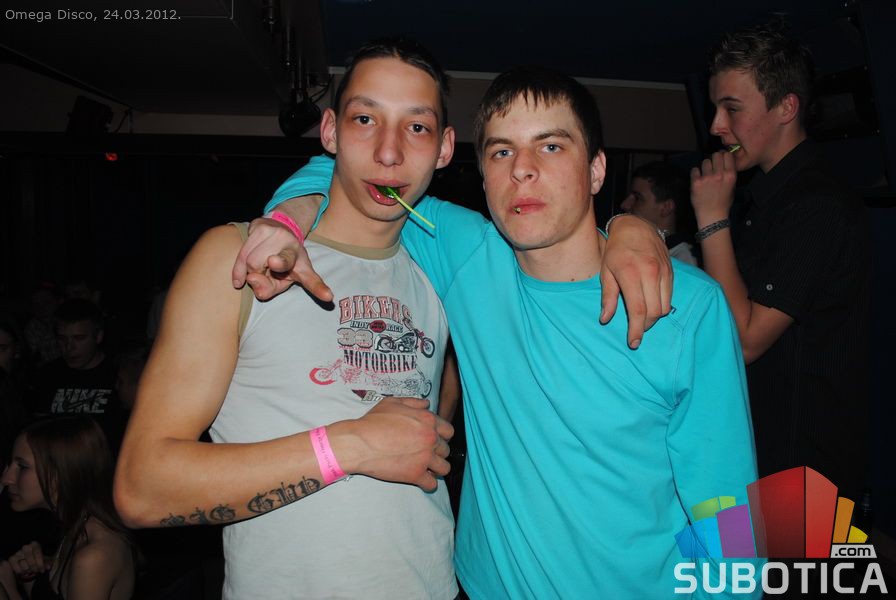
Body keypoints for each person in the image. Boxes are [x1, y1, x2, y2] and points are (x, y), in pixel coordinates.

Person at [241, 65, 758, 597]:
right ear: (483, 176)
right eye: (501, 151)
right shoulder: (466, 253)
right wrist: (287, 219)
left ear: (596, 170)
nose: (523, 170)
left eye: (551, 147)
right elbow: (345, 172)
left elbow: (727, 509)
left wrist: (632, 225)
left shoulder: (687, 306)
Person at [114, 38, 463, 599]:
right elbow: (142, 489)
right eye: (365, 119)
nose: (389, 153)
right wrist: (350, 446)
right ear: (329, 131)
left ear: (444, 148)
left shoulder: (443, 274)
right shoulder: (237, 258)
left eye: (416, 127)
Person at [690, 22, 870, 501]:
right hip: (760, 443)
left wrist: (711, 219)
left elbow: (746, 339)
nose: (716, 126)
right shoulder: (763, 198)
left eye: (731, 108)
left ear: (786, 107)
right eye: (715, 108)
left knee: (793, 558)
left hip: (803, 460)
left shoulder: (816, 204)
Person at [0, 416, 136, 600]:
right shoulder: (76, 528)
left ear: (62, 473)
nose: (6, 479)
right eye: (9, 465)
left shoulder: (93, 557)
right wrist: (29, 578)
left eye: (22, 467)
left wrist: (9, 592)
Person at [28, 300, 124, 452]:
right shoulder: (48, 374)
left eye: (79, 338)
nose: (69, 347)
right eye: (62, 338)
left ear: (98, 337)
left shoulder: (118, 373)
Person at [620, 160, 699, 265]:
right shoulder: (640, 248)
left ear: (666, 208)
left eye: (637, 198)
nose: (625, 205)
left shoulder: (683, 261)